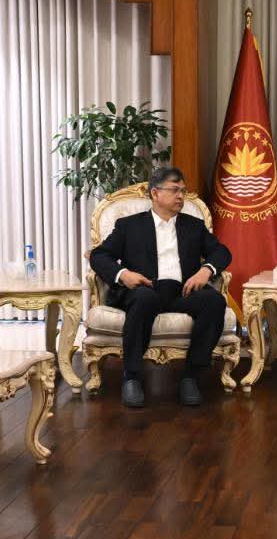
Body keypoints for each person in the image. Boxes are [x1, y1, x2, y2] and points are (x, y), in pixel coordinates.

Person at [89, 167, 232, 408]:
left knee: (215, 301)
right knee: (144, 299)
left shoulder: (194, 226)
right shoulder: (129, 225)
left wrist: (206, 270)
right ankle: (132, 377)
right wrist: (124, 274)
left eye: (183, 191)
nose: (181, 196)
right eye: (175, 190)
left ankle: (191, 376)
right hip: (144, 290)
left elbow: (222, 252)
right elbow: (99, 256)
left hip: (182, 291)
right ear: (155, 193)